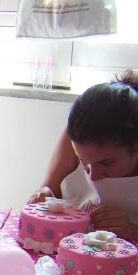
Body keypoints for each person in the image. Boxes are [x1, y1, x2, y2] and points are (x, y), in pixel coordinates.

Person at [31, 71, 138, 240]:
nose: (93, 176)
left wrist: (133, 230)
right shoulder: (75, 137)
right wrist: (44, 196)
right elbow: (50, 191)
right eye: (83, 161)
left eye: (105, 163)